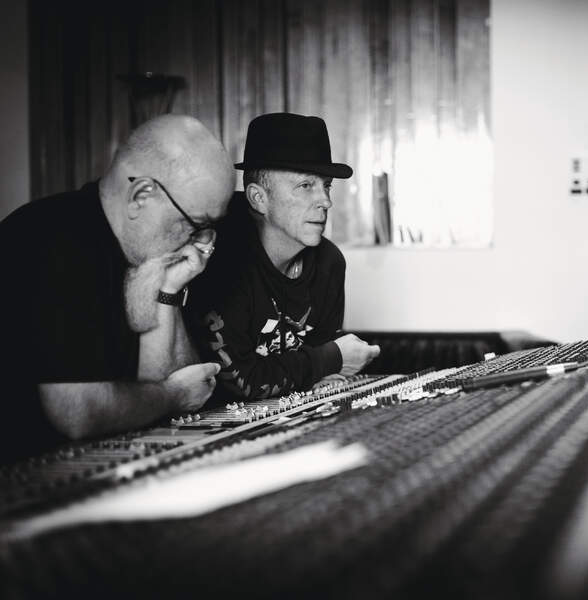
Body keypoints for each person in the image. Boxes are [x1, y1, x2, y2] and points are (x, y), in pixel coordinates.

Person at [0, 115, 235, 462]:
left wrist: (168, 290)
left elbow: (170, 391)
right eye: (196, 224)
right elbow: (76, 414)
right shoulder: (53, 240)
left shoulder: (145, 248)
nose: (200, 242)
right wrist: (172, 396)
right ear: (141, 195)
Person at [192, 113, 379, 400]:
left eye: (326, 185)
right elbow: (238, 382)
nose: (326, 201)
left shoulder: (329, 263)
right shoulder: (222, 258)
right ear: (258, 198)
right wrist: (329, 358)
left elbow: (321, 371)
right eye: (306, 186)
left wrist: (328, 374)